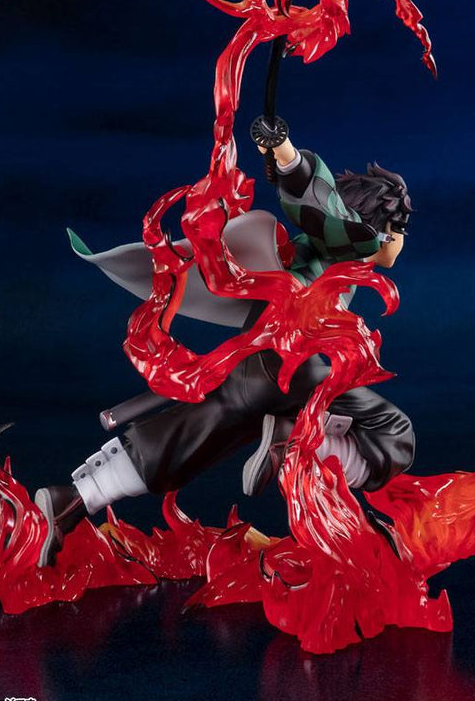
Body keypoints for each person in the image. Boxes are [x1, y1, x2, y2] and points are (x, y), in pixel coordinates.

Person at [35, 133, 416, 567]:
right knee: (393, 433)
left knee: (190, 436)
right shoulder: (354, 241)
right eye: (400, 230)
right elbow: (320, 203)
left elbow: (319, 207)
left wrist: (283, 158)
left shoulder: (322, 249)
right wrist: (287, 155)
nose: (400, 241)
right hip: (292, 363)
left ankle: (70, 501)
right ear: (383, 230)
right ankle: (292, 438)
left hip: (256, 369)